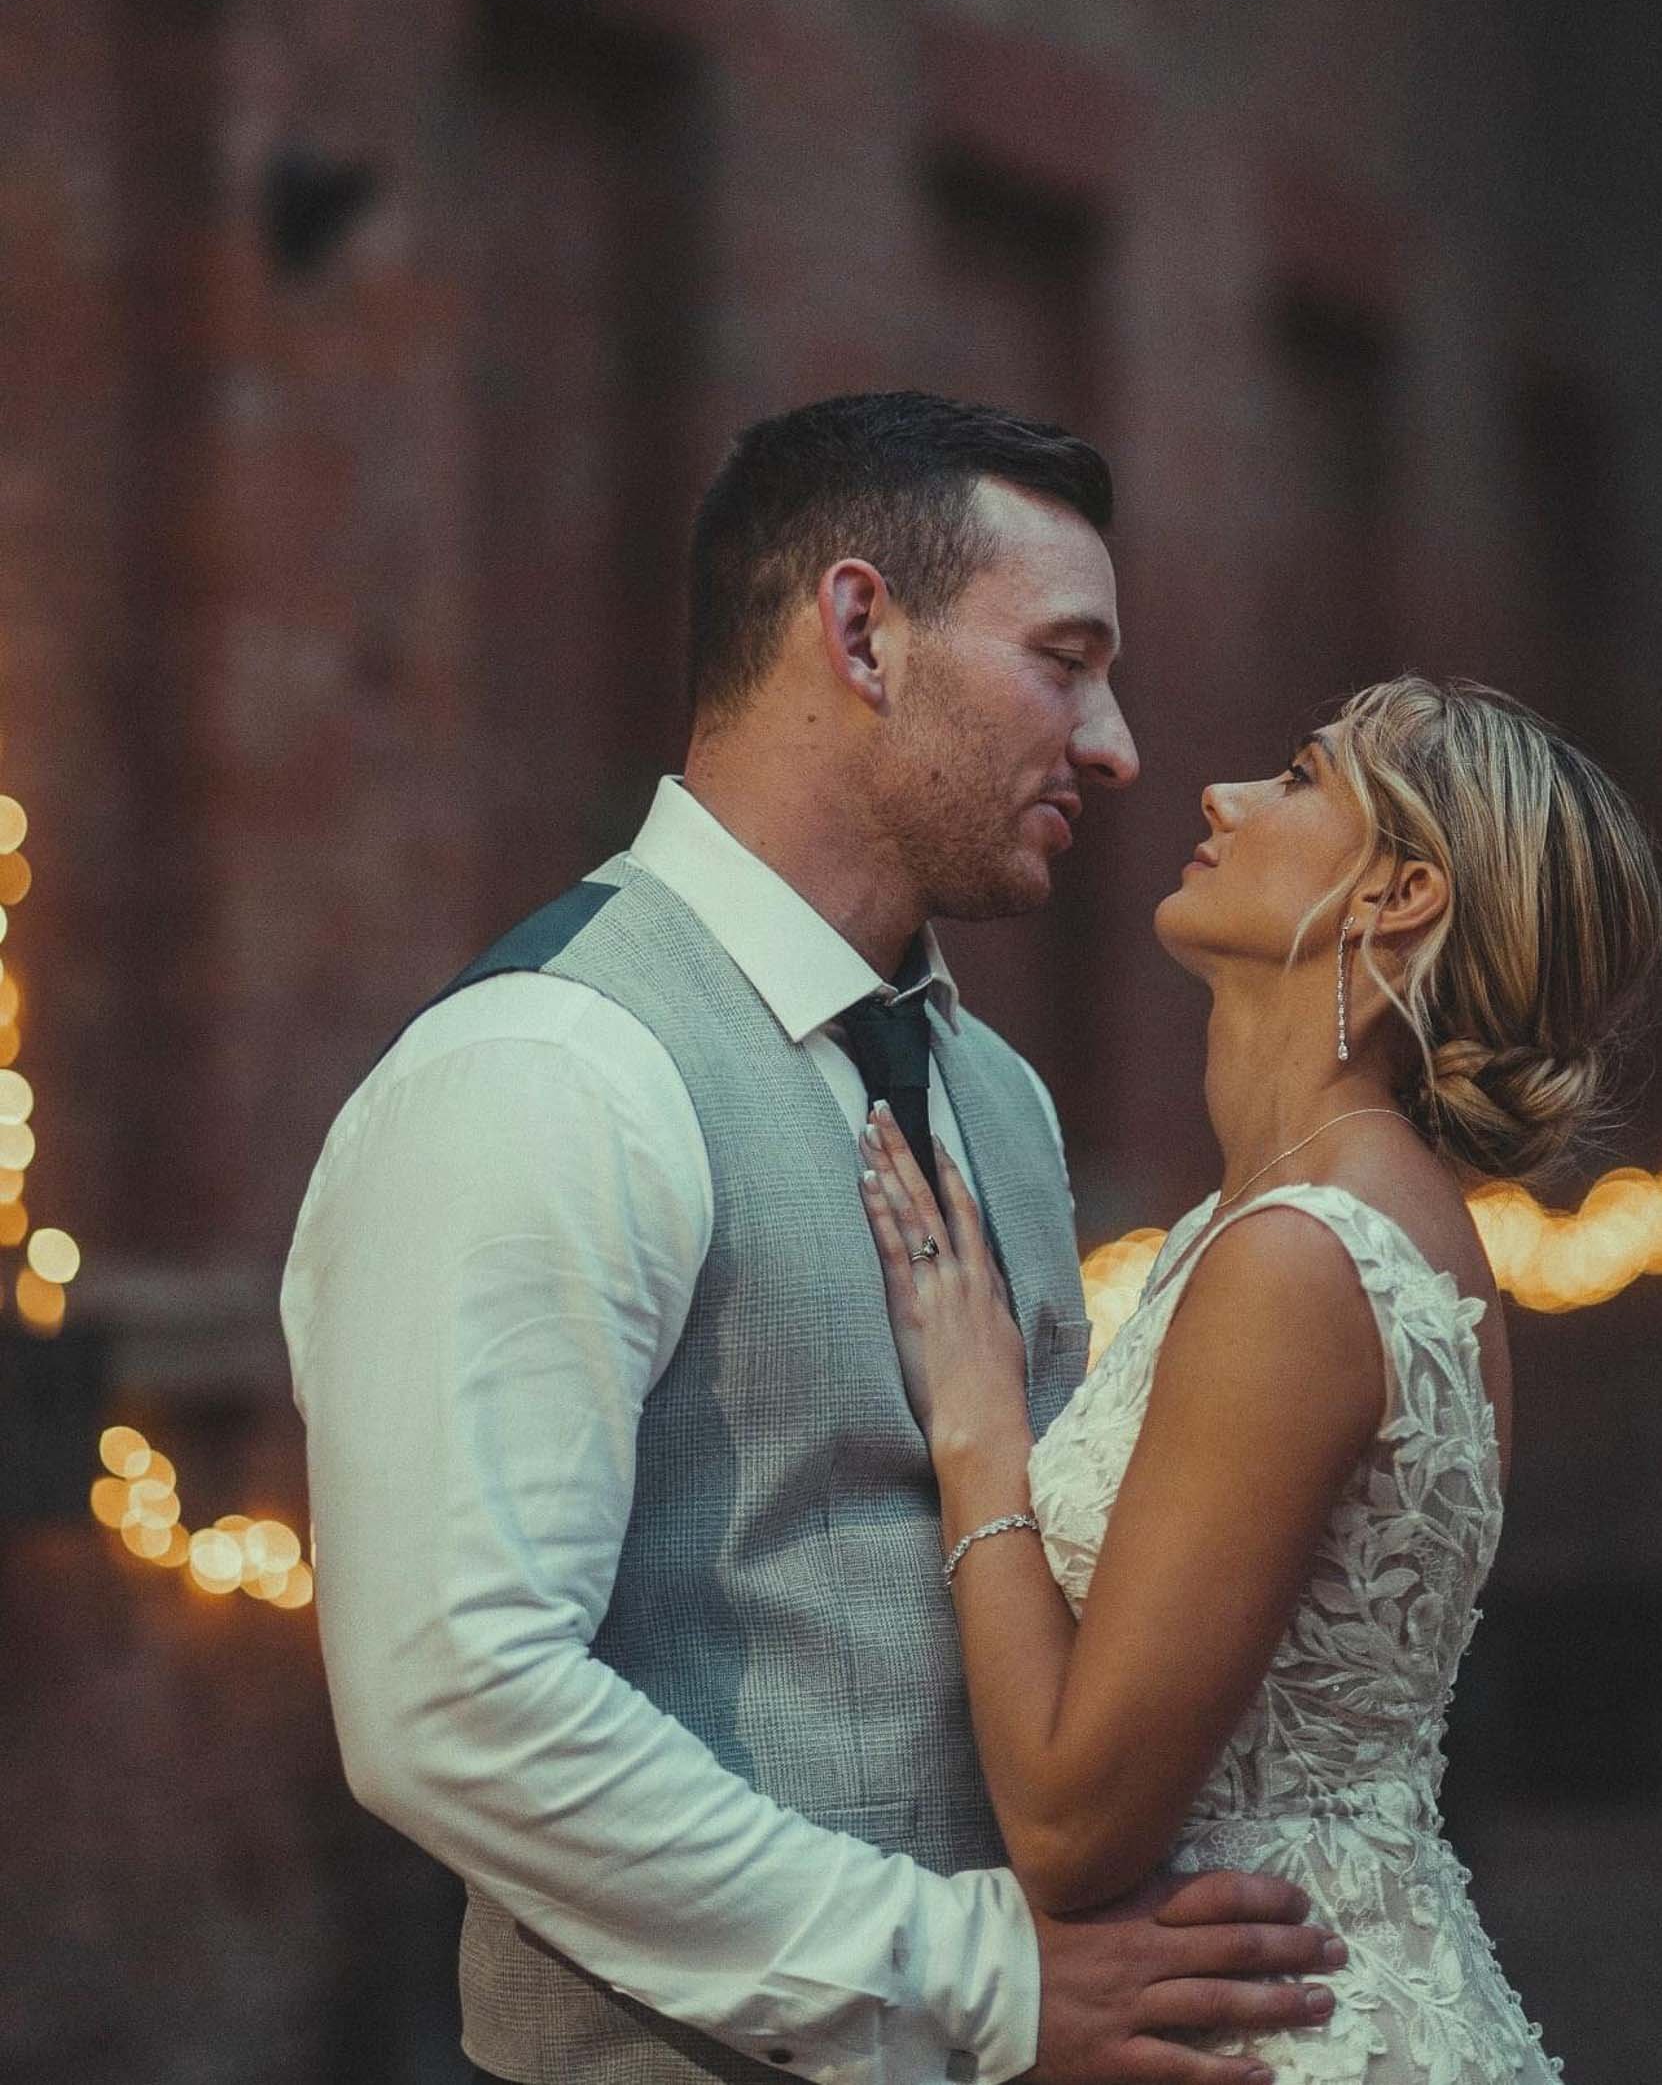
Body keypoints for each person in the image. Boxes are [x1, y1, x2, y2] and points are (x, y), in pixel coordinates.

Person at [281, 389, 1351, 2085]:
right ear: (860, 631)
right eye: (1063, 660)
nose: (1118, 745)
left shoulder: (992, 1092)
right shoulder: (548, 1067)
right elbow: (453, 1705)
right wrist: (972, 1984)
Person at [856, 674, 1662, 2084]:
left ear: (1394, 894)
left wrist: (977, 1432)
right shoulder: (1320, 1224)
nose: (1220, 798)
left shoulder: (1303, 1258)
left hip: (1274, 2036)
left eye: (1297, 778)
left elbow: (1067, 1819)